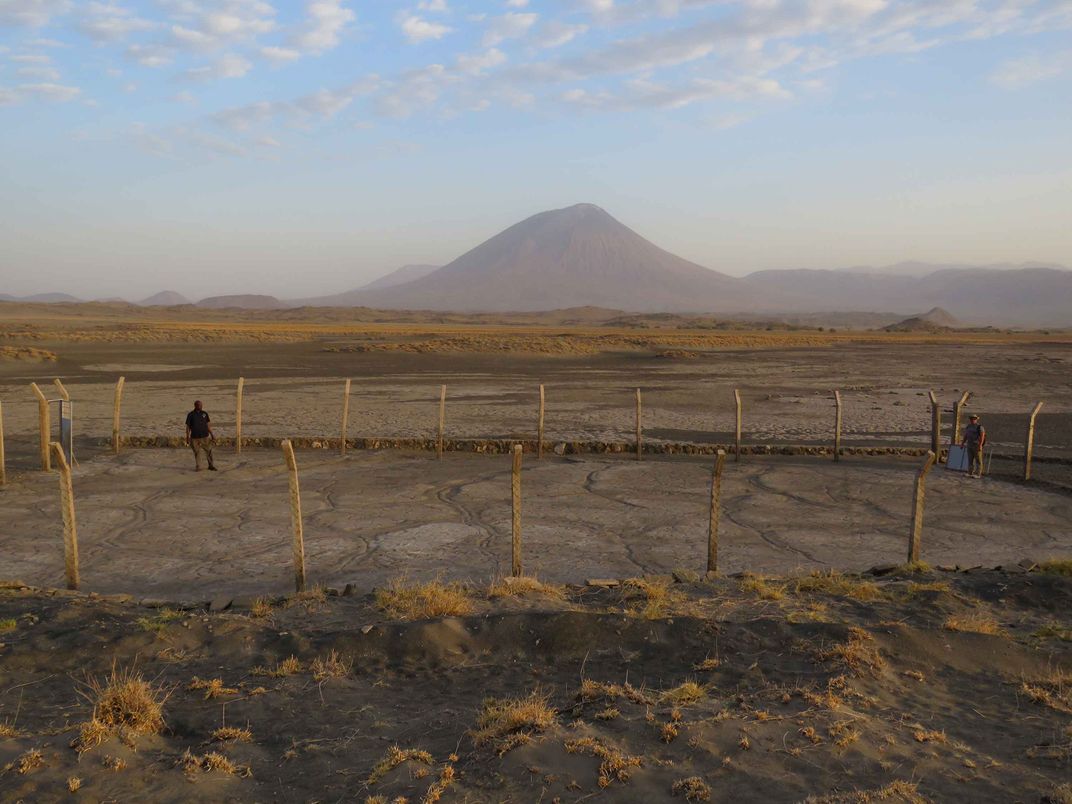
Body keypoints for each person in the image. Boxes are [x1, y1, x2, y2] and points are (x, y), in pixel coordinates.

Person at [185, 400, 217, 472]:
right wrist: (187, 437)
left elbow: (208, 425)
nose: (201, 406)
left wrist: (212, 434)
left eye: (201, 405)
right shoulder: (190, 415)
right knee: (197, 452)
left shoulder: (205, 414)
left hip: (205, 436)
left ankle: (211, 466)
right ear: (195, 406)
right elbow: (188, 427)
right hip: (194, 437)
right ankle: (198, 467)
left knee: (209, 451)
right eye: (199, 405)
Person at [962, 414, 986, 478]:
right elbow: (966, 435)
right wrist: (962, 443)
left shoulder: (980, 427)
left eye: (974, 419)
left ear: (976, 419)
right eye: (971, 419)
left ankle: (978, 474)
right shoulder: (969, 426)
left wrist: (980, 445)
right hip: (969, 444)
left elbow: (982, 436)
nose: (972, 420)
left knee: (978, 459)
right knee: (970, 459)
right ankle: (970, 472)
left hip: (976, 445)